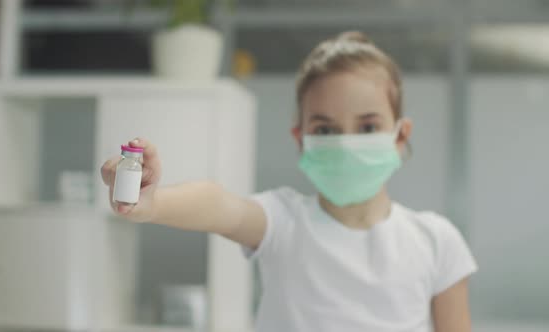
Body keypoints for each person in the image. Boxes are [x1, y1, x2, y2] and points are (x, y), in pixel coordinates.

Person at [101, 31, 477, 332]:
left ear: (399, 134)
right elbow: (219, 206)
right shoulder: (282, 221)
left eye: (367, 126)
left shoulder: (436, 242)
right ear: (301, 139)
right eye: (325, 128)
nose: (345, 141)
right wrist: (152, 203)